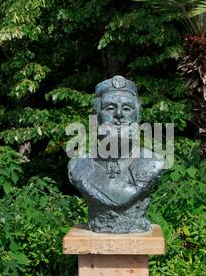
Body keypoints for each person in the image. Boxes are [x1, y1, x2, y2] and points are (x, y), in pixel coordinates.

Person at [68, 75, 165, 233]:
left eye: (127, 108)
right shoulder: (78, 165)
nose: (119, 114)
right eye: (110, 108)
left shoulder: (154, 161)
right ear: (96, 117)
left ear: (138, 116)